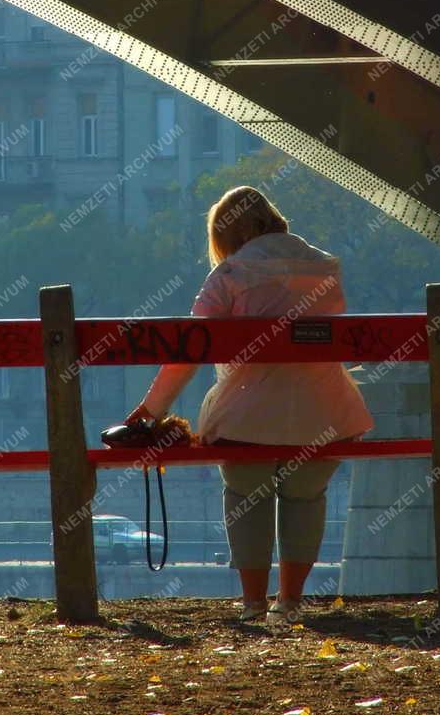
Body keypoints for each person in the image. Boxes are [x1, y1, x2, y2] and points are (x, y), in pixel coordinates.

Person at [125, 184, 373, 626]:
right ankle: (290, 603)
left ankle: (254, 604)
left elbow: (190, 348)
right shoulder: (325, 267)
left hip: (246, 417)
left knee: (246, 497)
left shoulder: (230, 274)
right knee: (306, 496)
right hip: (328, 415)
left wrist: (151, 410)